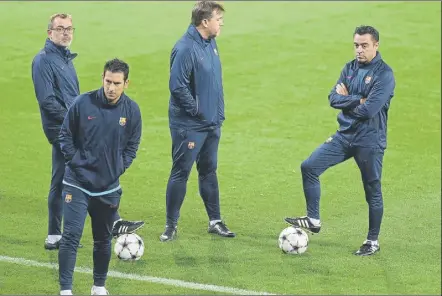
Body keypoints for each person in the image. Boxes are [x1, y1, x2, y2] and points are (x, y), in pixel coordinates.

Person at [31, 14, 144, 250]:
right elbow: (47, 101)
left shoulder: (64, 59)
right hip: (61, 127)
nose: (66, 32)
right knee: (81, 170)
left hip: (73, 124)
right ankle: (112, 222)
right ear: (49, 32)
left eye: (69, 28)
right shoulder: (43, 61)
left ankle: (57, 234)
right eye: (60, 28)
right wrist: (78, 121)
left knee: (63, 174)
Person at [285, 25, 395, 256]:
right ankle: (313, 219)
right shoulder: (350, 68)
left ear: (376, 45)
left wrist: (348, 100)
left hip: (369, 141)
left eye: (364, 45)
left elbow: (369, 111)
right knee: (309, 166)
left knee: (372, 189)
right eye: (356, 45)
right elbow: (333, 98)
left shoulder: (384, 75)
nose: (359, 50)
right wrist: (357, 99)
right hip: (344, 136)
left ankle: (372, 241)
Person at [57, 59, 142, 295]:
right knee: (71, 236)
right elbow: (65, 136)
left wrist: (117, 168)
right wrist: (77, 163)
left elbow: (132, 146)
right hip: (77, 184)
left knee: (103, 239)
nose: (111, 88)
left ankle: (98, 286)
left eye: (116, 83)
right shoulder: (83, 103)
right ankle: (66, 290)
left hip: (107, 188)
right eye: (107, 82)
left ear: (126, 83)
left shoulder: (132, 111)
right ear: (102, 79)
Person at [160, 0, 235, 242]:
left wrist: (217, 113)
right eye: (218, 19)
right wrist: (199, 111)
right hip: (189, 125)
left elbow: (216, 82)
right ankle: (171, 226)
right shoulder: (184, 48)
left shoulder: (210, 43)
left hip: (212, 123)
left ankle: (215, 221)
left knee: (209, 171)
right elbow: (177, 86)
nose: (221, 22)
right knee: (181, 172)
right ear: (205, 22)